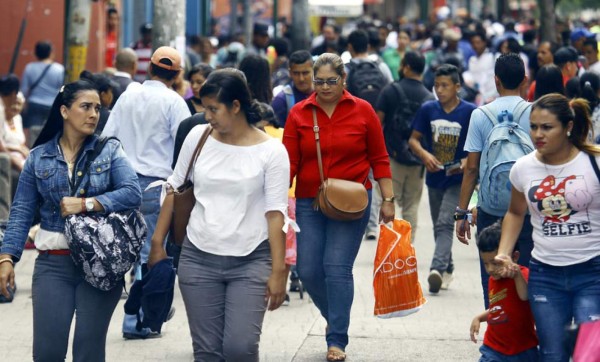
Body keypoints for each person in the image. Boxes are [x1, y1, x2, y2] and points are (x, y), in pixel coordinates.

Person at [148, 69, 289, 361]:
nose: (207, 115)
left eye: (213, 108)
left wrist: (278, 271)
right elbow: (174, 187)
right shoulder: (198, 137)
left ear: (235, 106)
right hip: (198, 258)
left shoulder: (272, 151)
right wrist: (157, 243)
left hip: (251, 260)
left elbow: (276, 214)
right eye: (204, 107)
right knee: (207, 352)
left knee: (240, 348)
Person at [0, 79, 142, 361]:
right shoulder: (39, 157)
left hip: (100, 264)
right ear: (64, 111)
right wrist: (6, 258)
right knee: (47, 352)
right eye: (85, 107)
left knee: (88, 352)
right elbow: (21, 212)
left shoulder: (109, 150)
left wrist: (88, 204)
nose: (93, 114)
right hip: (54, 263)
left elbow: (132, 192)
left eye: (97, 108)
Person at [283, 53, 394, 361]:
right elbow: (289, 161)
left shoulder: (363, 110)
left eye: (332, 80)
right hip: (309, 199)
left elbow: (380, 158)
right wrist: (276, 197)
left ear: (344, 80)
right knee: (307, 270)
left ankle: (337, 340)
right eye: (319, 81)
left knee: (336, 268)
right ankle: (336, 316)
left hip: (353, 202)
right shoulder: (299, 113)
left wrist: (388, 199)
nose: (325, 86)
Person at [496, 93, 600, 361]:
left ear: (567, 127)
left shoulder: (593, 163)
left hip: (592, 274)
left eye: (546, 127)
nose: (537, 134)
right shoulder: (523, 168)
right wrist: (505, 252)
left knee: (588, 354)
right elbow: (515, 212)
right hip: (545, 276)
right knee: (552, 354)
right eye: (533, 126)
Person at [102, 46, 191, 339]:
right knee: (150, 255)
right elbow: (184, 150)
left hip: (123, 185)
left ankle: (144, 315)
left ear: (149, 69)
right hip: (156, 188)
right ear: (177, 75)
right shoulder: (175, 102)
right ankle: (139, 319)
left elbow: (108, 141)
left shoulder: (127, 97)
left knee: (133, 254)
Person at [456, 53, 534, 308]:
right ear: (524, 80)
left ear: (496, 80)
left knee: (491, 272)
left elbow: (471, 168)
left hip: (491, 208)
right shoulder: (536, 113)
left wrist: (462, 213)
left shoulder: (480, 115)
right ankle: (526, 332)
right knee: (527, 271)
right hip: (529, 209)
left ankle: (497, 327)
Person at [408, 64, 476, 294]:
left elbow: (478, 145)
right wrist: (425, 154)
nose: (440, 90)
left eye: (445, 85)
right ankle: (448, 266)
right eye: (436, 85)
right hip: (434, 177)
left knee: (446, 222)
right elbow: (414, 140)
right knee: (439, 226)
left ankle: (436, 269)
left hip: (460, 180)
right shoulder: (428, 109)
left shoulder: (470, 112)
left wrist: (469, 161)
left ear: (457, 87)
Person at [375, 51, 435, 242]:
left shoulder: (390, 91)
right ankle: (406, 248)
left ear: (406, 67)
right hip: (418, 160)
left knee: (389, 202)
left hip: (392, 158)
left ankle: (390, 248)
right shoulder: (429, 98)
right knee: (411, 206)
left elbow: (378, 124)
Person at [469, 222, 539, 361]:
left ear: (515, 257)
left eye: (495, 263)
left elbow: (525, 296)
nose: (489, 269)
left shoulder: (523, 274)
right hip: (493, 348)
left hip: (522, 349)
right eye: (485, 263)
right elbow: (498, 308)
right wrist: (479, 317)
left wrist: (517, 274)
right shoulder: (493, 279)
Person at [20, 40, 65, 146]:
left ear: (36, 53)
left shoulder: (29, 67)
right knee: (52, 134)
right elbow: (62, 89)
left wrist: (23, 106)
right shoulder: (59, 69)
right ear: (50, 52)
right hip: (53, 105)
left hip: (34, 105)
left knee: (33, 135)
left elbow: (24, 90)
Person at [271, 50, 314, 127]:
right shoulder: (282, 101)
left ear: (314, 71)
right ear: (290, 73)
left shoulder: (324, 95)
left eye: (305, 73)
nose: (301, 79)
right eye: (296, 73)